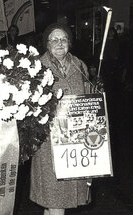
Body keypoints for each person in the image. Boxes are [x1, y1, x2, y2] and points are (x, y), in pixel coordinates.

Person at [30, 23, 92, 215]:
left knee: (54, 204)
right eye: (54, 39)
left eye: (63, 39)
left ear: (69, 43)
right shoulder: (36, 68)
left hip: (74, 141)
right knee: (55, 199)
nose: (59, 43)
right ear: (47, 44)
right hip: (48, 143)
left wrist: (95, 91)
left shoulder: (79, 65)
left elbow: (88, 98)